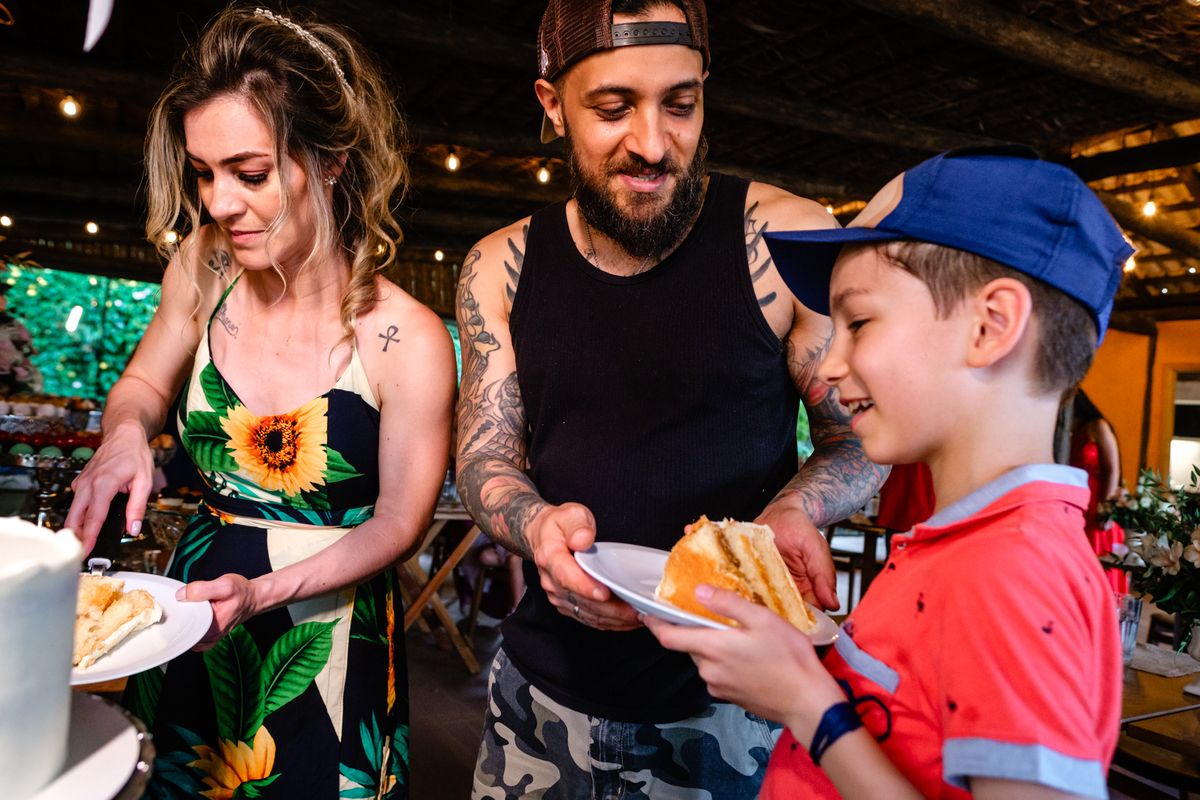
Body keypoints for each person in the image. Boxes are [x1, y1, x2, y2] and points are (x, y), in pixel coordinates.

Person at [456, 0, 885, 796]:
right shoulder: (497, 266)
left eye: (680, 105)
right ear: (551, 104)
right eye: (613, 107)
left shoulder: (787, 239)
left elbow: (856, 437)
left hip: (738, 712)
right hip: (541, 699)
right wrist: (538, 527)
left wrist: (794, 514)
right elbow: (485, 454)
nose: (653, 144)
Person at [647, 146, 1128, 799]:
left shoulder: (1012, 574)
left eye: (860, 322)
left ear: (990, 326)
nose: (832, 362)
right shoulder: (970, 547)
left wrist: (808, 705)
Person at [64, 8, 455, 797]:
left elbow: (399, 524)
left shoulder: (405, 339)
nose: (219, 204)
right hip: (189, 627)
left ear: (332, 161)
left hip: (323, 651)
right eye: (204, 173)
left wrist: (266, 591)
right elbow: (142, 385)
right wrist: (125, 435)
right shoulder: (203, 270)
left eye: (250, 172)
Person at [1069, 389, 1127, 592]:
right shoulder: (1068, 433)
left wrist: (1107, 509)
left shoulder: (1097, 426)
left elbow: (1113, 468)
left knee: (1097, 569)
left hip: (1098, 503)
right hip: (1077, 506)